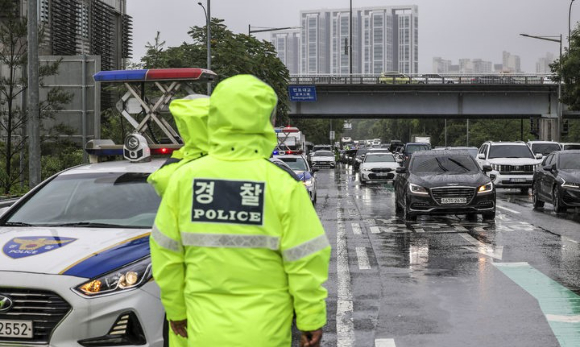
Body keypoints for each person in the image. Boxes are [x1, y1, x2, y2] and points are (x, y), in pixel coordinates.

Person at [150, 74, 331, 347]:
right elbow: (306, 259)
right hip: (265, 331)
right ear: (264, 120)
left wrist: (176, 311)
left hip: (201, 329)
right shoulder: (282, 184)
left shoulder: (184, 180)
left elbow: (166, 255)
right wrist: (310, 318)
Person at [147, 94, 209, 347]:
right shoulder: (262, 173)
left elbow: (167, 256)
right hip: (258, 314)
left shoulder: (175, 176)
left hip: (195, 304)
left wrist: (174, 310)